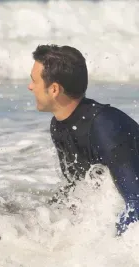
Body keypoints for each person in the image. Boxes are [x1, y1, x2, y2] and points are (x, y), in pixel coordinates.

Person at [28, 44, 139, 235]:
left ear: (54, 89)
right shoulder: (59, 125)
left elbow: (136, 201)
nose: (30, 87)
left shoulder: (105, 126)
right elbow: (80, 191)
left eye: (34, 81)